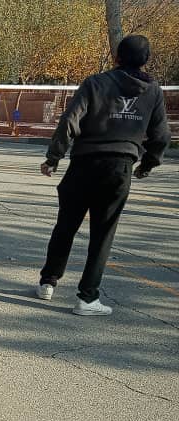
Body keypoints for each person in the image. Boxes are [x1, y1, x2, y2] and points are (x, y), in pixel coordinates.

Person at [36, 35, 170, 316]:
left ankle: (48, 282)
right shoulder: (153, 91)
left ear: (116, 57)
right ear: (146, 61)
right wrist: (147, 164)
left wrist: (53, 157)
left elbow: (70, 120)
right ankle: (87, 298)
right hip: (119, 167)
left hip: (84, 163)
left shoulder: (95, 83)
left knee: (66, 225)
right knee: (102, 234)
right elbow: (160, 136)